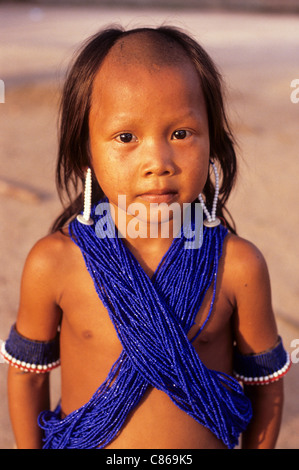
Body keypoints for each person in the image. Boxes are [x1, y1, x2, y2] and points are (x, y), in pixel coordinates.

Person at [1, 26, 291, 450]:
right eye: (126, 138)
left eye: (180, 134)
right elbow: (27, 377)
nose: (157, 161)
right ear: (86, 149)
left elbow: (266, 387)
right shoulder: (54, 263)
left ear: (212, 141)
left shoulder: (238, 266)